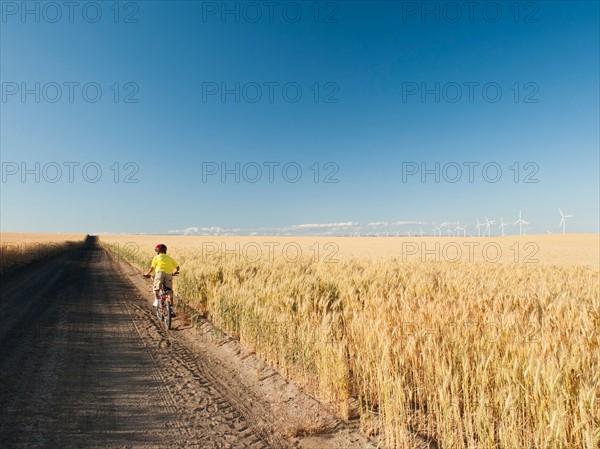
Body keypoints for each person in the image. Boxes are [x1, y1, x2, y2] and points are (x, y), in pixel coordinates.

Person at [144, 244, 180, 311]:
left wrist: (147, 273)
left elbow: (152, 267)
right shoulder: (169, 258)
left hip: (160, 274)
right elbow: (177, 267)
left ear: (157, 251)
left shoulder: (156, 257)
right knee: (169, 291)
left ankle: (156, 301)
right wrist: (174, 272)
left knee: (156, 287)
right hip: (169, 274)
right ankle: (172, 309)